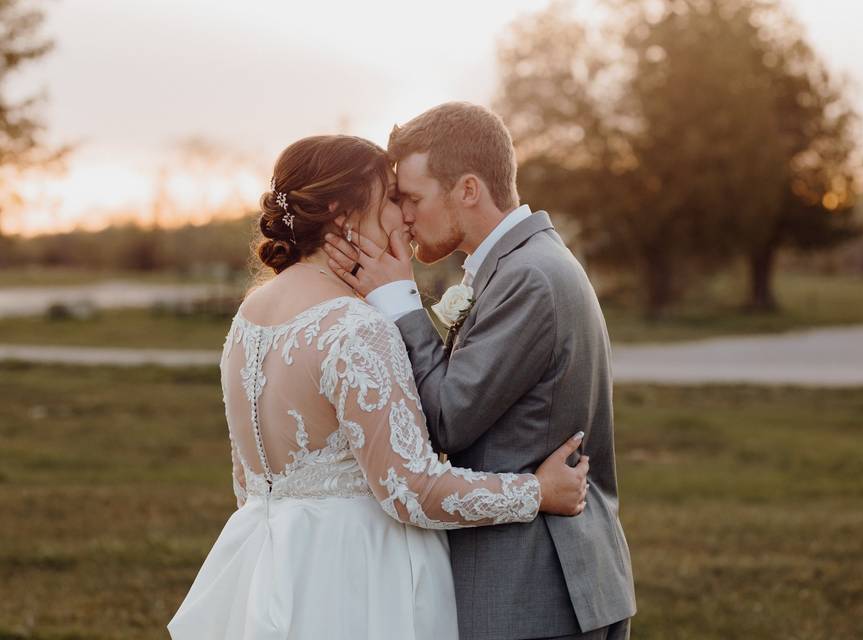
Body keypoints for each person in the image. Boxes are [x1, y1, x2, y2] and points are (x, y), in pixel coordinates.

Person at [167, 134, 589, 640]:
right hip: (361, 579)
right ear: (342, 212)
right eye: (391, 197)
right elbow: (412, 490)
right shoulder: (354, 327)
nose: (404, 216)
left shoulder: (250, 317)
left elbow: (249, 478)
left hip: (273, 569)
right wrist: (537, 491)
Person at [322, 102, 636, 640]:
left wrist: (399, 303)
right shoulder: (523, 264)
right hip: (540, 586)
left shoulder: (529, 277)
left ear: (468, 189)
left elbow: (447, 418)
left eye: (413, 199)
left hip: (533, 592)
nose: (405, 217)